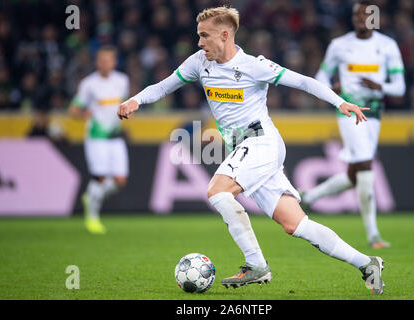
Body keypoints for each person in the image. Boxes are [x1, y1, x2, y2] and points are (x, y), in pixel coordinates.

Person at [118, 6, 385, 294]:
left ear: (224, 35)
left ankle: (256, 264)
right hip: (246, 149)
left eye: (204, 36)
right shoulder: (199, 62)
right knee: (296, 224)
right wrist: (136, 100)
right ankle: (367, 263)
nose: (199, 43)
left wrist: (340, 103)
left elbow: (304, 82)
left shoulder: (254, 66)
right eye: (198, 36)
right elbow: (163, 86)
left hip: (261, 142)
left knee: (218, 192)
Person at [299, 0, 406, 249]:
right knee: (366, 163)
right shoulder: (339, 45)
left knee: (355, 173)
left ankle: (309, 196)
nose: (360, 19)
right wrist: (332, 90)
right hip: (348, 111)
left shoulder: (387, 46)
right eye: (357, 15)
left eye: (366, 16)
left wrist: (380, 87)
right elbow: (321, 77)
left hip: (375, 113)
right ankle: (373, 234)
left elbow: (399, 87)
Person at [69, 45, 130, 234]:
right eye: (102, 60)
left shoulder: (122, 81)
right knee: (101, 177)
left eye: (109, 60)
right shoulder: (89, 84)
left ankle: (91, 195)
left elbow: (125, 104)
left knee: (120, 180)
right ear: (97, 63)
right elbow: (73, 110)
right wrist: (83, 114)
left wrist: (127, 113)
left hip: (115, 136)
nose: (106, 64)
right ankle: (92, 218)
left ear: (114, 62)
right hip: (96, 137)